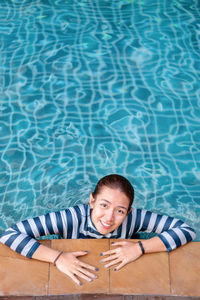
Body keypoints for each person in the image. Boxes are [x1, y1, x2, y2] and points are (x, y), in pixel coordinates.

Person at [0, 174, 196, 286]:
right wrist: (58, 257)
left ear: (128, 212)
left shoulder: (135, 218)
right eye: (104, 205)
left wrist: (140, 248)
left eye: (120, 210)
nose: (109, 217)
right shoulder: (71, 217)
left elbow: (186, 230)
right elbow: (10, 235)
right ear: (91, 201)